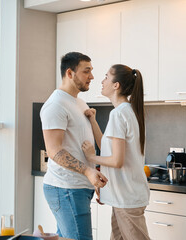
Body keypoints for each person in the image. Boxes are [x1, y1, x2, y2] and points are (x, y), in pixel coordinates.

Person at [40, 52, 108, 240]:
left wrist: (91, 176)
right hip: (65, 189)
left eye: (91, 71)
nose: (92, 76)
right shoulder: (55, 105)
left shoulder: (79, 102)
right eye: (87, 71)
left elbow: (78, 146)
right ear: (69, 73)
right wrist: (88, 172)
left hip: (77, 189)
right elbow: (54, 151)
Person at [81, 64, 150, 240]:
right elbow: (107, 146)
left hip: (127, 199)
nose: (101, 81)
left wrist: (90, 157)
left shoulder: (119, 114)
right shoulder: (127, 111)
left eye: (106, 77)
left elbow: (117, 160)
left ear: (116, 85)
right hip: (125, 197)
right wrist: (93, 121)